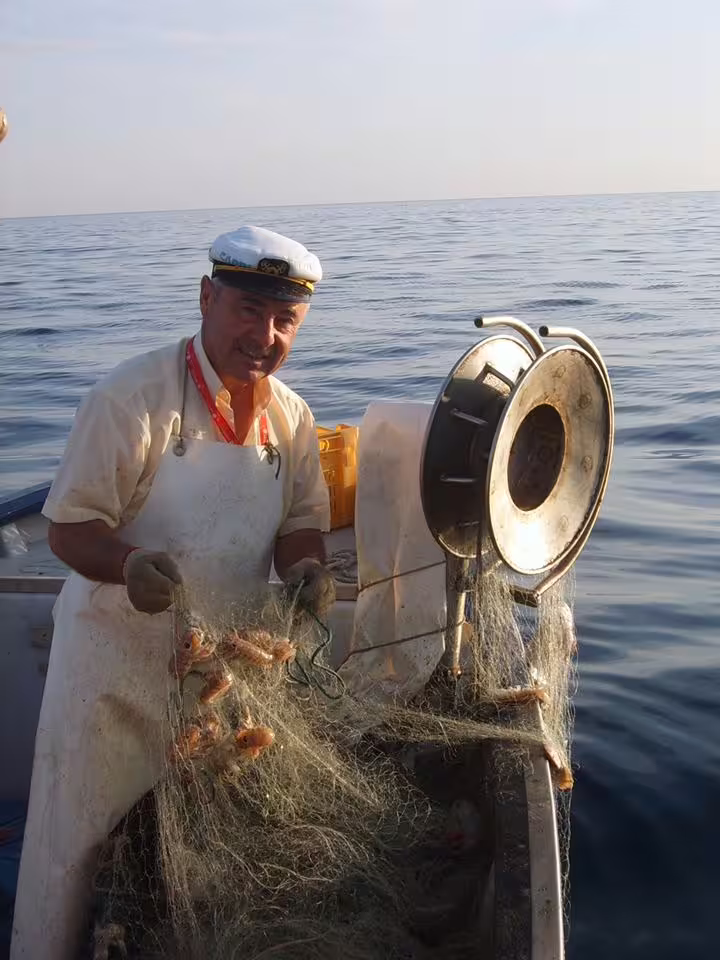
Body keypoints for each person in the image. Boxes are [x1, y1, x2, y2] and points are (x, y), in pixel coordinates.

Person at [11, 225, 336, 960]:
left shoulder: (292, 418)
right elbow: (67, 529)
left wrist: (310, 569)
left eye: (286, 320)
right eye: (248, 310)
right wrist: (126, 564)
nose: (266, 335)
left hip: (218, 677)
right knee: (77, 847)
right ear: (206, 298)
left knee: (201, 852)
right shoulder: (130, 400)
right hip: (113, 675)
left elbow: (301, 526)